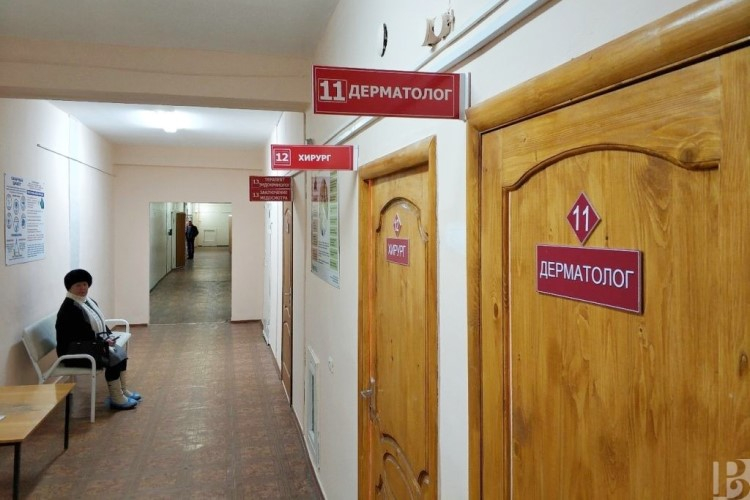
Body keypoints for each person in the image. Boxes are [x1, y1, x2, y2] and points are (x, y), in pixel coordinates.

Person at [55, 269, 142, 411]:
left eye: (85, 284)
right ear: (69, 287)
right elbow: (81, 334)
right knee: (112, 357)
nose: (83, 288)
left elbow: (100, 323)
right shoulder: (70, 308)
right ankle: (117, 398)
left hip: (85, 345)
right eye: (78, 285)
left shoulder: (87, 302)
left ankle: (122, 391)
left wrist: (108, 336)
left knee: (120, 353)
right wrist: (103, 342)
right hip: (73, 352)